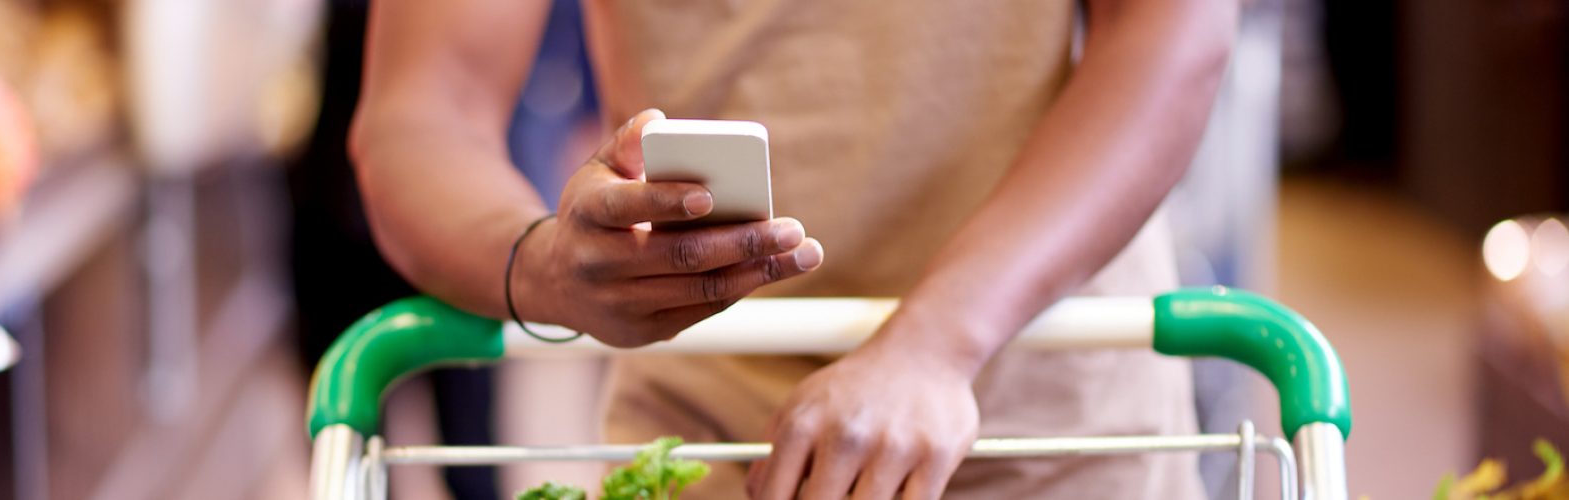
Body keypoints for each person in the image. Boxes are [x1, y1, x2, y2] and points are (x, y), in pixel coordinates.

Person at [349, 0, 1234, 497]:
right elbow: (423, 107)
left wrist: (935, 344)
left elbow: (1172, 34)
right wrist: (538, 262)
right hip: (707, 437)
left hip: (1045, 414)